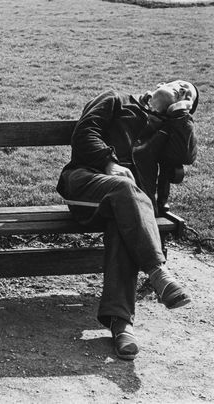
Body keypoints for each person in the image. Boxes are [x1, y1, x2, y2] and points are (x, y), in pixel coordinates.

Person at [56, 80, 199, 360]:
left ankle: (121, 326)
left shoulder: (169, 128)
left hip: (131, 208)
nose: (183, 93)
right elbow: (85, 133)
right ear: (159, 85)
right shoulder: (115, 100)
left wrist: (181, 114)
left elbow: (184, 156)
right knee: (124, 191)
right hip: (86, 184)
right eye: (181, 86)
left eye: (188, 97)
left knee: (126, 220)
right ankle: (158, 273)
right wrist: (109, 163)